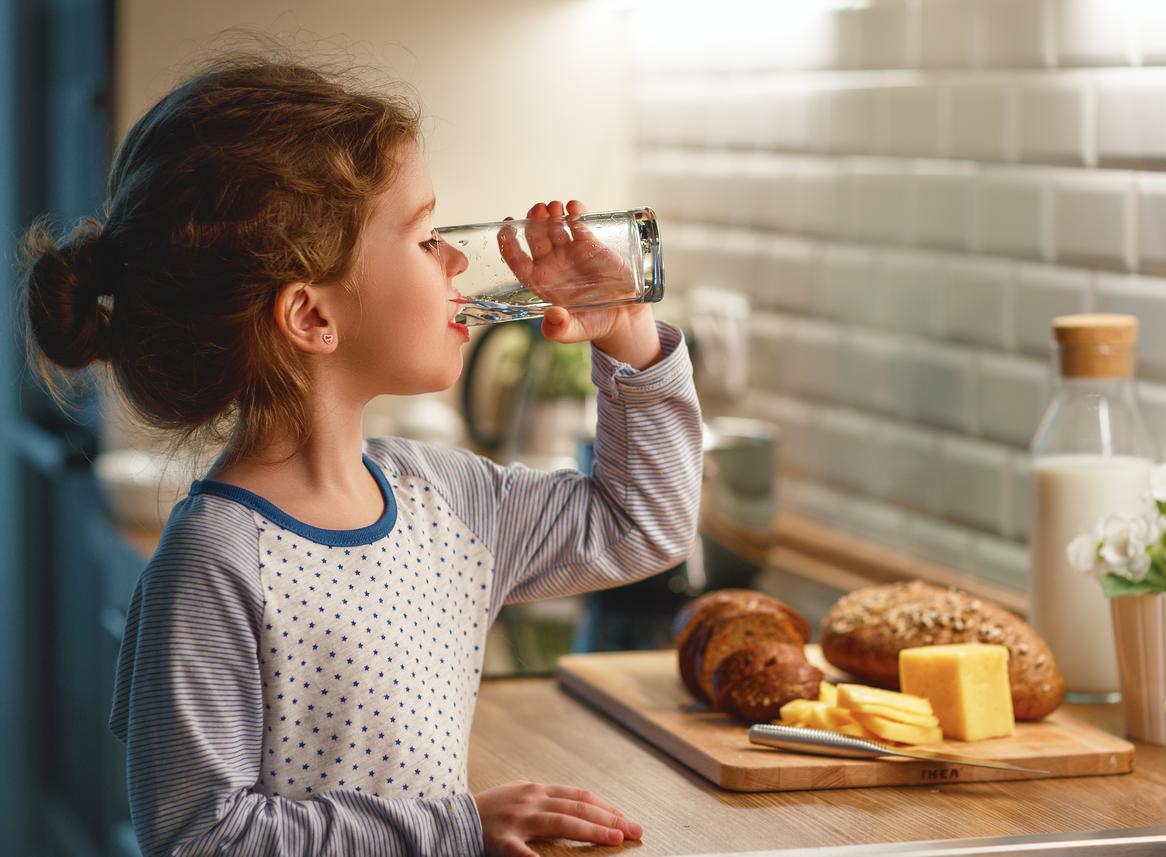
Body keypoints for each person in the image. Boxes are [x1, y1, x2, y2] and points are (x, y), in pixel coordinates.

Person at [17, 54, 701, 857]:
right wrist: (458, 828)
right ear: (310, 317)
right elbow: (203, 838)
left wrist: (627, 334)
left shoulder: (443, 497)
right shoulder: (212, 566)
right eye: (423, 237)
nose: (455, 259)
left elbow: (640, 523)